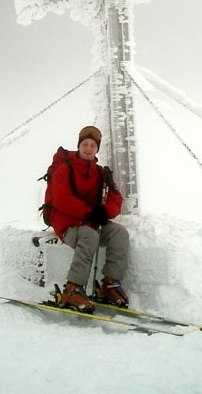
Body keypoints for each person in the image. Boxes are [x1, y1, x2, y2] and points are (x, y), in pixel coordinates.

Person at [49, 125, 129, 312]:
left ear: (97, 149)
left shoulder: (101, 173)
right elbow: (62, 199)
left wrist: (105, 212)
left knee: (119, 232)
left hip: (91, 222)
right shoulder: (64, 169)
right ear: (79, 146)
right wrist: (90, 212)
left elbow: (116, 198)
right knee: (89, 236)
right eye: (85, 144)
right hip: (68, 225)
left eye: (93, 145)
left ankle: (109, 285)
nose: (88, 148)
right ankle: (73, 288)